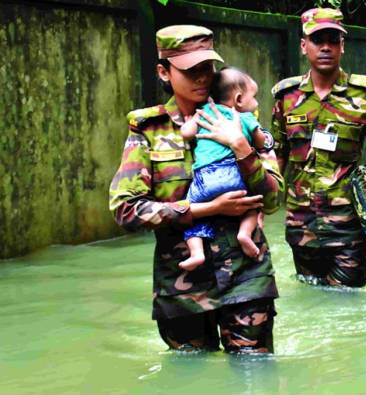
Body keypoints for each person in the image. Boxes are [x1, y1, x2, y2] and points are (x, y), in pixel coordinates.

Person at [109, 25, 283, 353]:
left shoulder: (241, 115)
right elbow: (125, 209)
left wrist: (243, 150)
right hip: (181, 286)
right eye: (190, 70)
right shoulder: (148, 130)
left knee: (255, 376)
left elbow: (274, 199)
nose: (202, 77)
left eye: (207, 67)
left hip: (247, 276)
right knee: (189, 379)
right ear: (164, 72)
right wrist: (204, 210)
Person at [270, 8, 366, 287]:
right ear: (303, 46)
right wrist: (262, 208)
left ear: (342, 46)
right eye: (317, 39)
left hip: (350, 225)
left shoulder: (365, 95)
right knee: (311, 300)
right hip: (301, 224)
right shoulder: (286, 97)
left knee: (347, 302)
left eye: (333, 40)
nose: (325, 47)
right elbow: (278, 156)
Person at [179, 66, 273, 271]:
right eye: (254, 97)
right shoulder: (244, 116)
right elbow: (260, 141)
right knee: (253, 204)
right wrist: (253, 140)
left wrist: (189, 122)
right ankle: (244, 234)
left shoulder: (204, 112)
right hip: (233, 174)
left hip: (204, 178)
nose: (256, 103)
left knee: (190, 213)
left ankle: (196, 253)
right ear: (239, 99)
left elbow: (185, 133)